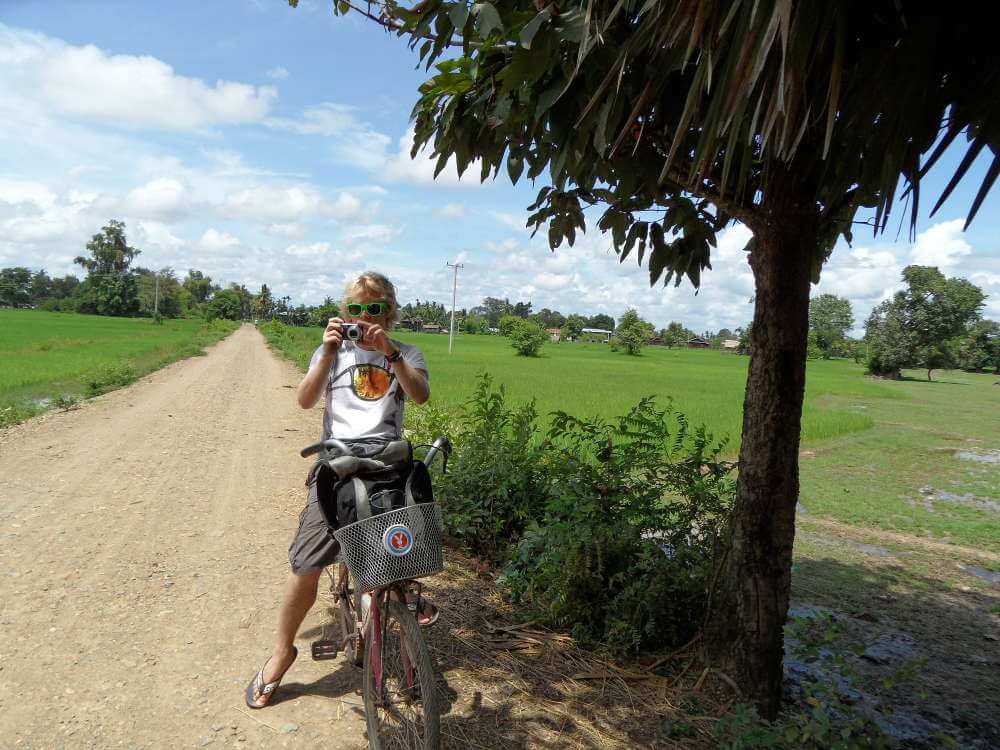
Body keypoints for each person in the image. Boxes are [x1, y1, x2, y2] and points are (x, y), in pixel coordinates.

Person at [246, 271, 435, 709]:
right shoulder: (332, 350)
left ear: (388, 312)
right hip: (335, 464)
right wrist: (328, 353)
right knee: (306, 565)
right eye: (356, 309)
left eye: (375, 309)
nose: (365, 318)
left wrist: (391, 354)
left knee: (398, 560)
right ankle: (282, 652)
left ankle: (409, 650)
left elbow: (420, 395)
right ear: (344, 312)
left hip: (387, 466)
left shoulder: (406, 352)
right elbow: (305, 400)